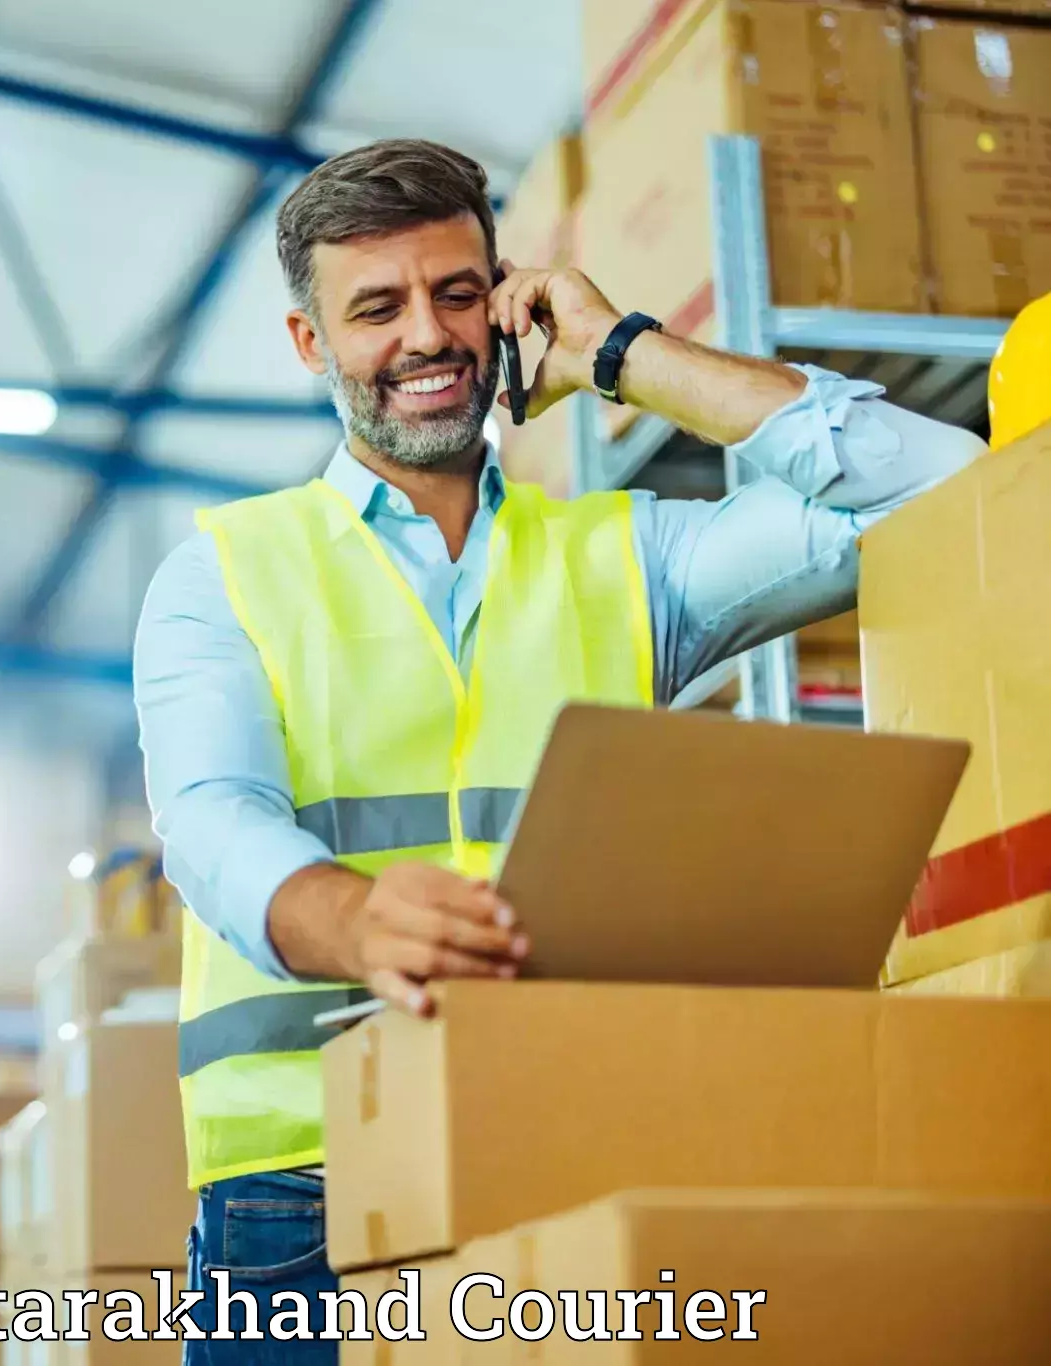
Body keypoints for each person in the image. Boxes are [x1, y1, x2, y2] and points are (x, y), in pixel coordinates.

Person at [131, 138, 987, 1363]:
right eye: (375, 308)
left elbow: (939, 488)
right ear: (311, 346)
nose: (426, 336)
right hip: (305, 1186)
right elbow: (211, 820)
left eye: (456, 292)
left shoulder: (623, 557)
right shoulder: (221, 571)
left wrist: (625, 355)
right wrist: (356, 920)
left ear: (504, 296)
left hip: (574, 1134)